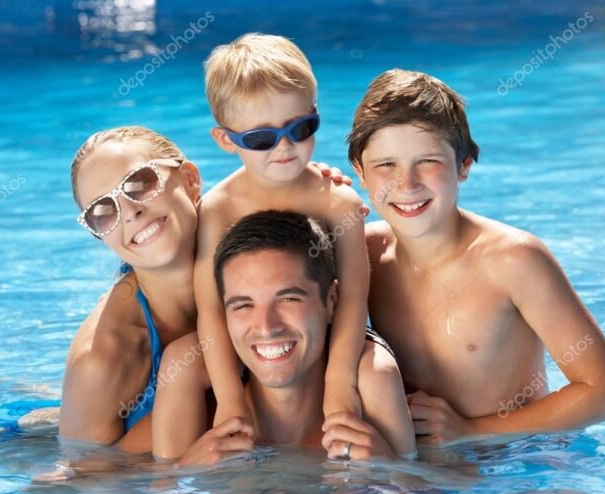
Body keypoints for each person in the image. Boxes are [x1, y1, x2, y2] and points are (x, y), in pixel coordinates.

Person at [347, 69, 605, 445]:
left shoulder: (514, 260)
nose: (406, 184)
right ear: (359, 172)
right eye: (386, 165)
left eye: (427, 161)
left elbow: (603, 390)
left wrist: (471, 431)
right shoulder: (362, 255)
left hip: (515, 461)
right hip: (419, 466)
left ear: (463, 166)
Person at [190, 33, 386, 447]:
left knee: (378, 370)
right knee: (179, 365)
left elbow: (353, 300)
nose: (284, 147)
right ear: (226, 140)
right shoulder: (219, 208)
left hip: (332, 341)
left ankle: (403, 471)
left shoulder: (338, 202)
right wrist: (229, 401)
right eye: (261, 138)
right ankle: (169, 477)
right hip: (258, 346)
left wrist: (339, 384)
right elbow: (209, 308)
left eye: (301, 128)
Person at [179, 210, 416, 465]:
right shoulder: (198, 420)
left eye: (288, 299)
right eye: (243, 305)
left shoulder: (377, 416)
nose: (267, 327)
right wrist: (185, 473)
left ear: (331, 301)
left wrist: (391, 472)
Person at [60, 126, 210, 459]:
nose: (129, 211)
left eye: (140, 184)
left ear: (189, 178)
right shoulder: (101, 361)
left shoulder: (254, 245)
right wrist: (183, 470)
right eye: (103, 212)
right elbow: (83, 478)